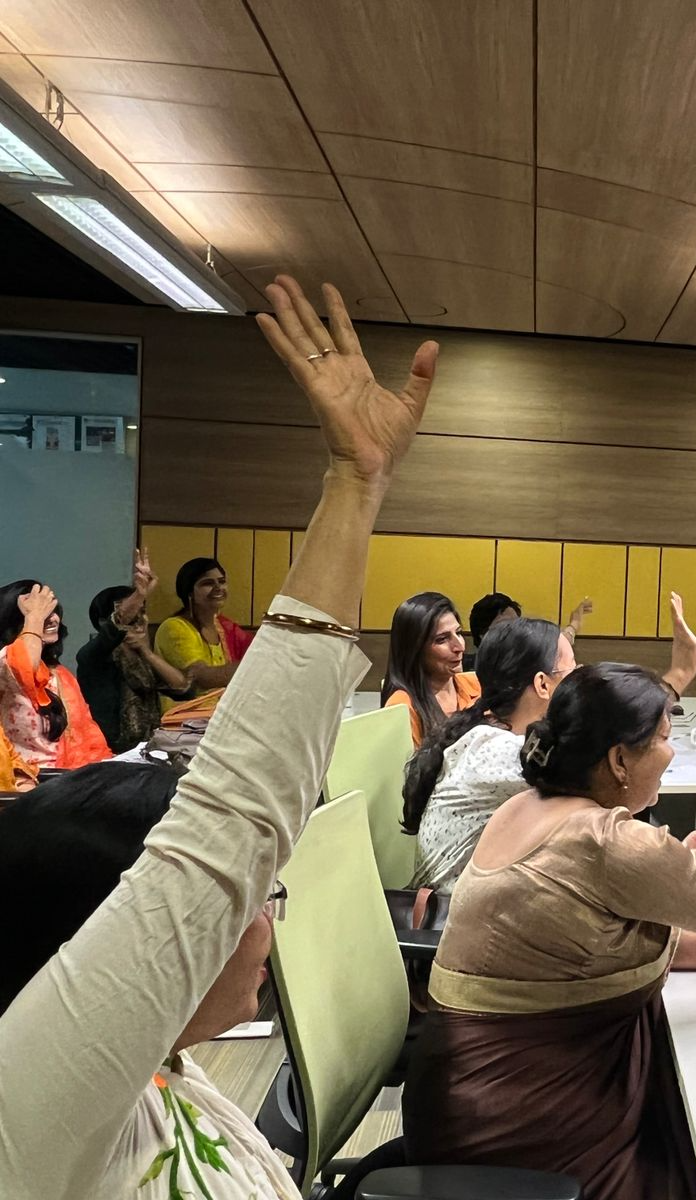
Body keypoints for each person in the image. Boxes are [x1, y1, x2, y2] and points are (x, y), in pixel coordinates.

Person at [0, 272, 438, 1198]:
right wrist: (353, 489)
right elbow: (229, 820)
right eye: (253, 893)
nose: (267, 918)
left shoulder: (158, 1076)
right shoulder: (37, 1104)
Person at [403, 670, 696, 1198]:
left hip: (467, 1093)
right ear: (619, 760)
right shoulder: (604, 841)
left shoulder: (526, 807)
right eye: (665, 739)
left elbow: (601, 943)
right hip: (525, 1124)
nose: (672, 754)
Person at [404, 593, 696, 894]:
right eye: (574, 672)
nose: (582, 681)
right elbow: (606, 770)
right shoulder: (494, 750)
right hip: (448, 922)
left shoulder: (496, 732)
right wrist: (677, 677)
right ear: (542, 684)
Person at [76, 549, 194, 752]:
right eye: (132, 614)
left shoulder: (142, 657)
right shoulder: (94, 657)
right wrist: (140, 594)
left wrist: (146, 652)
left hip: (148, 749)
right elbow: (117, 624)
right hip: (107, 752)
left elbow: (183, 688)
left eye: (142, 612)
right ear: (104, 623)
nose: (138, 620)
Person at [1, 579, 112, 775]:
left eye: (53, 611)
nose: (52, 619)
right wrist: (35, 616)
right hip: (25, 784)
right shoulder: (5, 663)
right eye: (42, 613)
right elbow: (23, 665)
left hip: (72, 777)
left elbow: (87, 734)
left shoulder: (59, 673)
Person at [383, 592, 482, 747]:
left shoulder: (478, 683)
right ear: (414, 649)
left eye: (459, 633)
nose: (460, 647)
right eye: (442, 639)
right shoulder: (401, 707)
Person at [154, 557, 254, 702]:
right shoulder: (174, 628)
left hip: (218, 715)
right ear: (189, 593)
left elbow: (257, 648)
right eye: (207, 583)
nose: (218, 587)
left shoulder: (224, 627)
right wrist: (252, 667)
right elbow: (201, 677)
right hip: (184, 719)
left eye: (222, 581)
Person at [464, 591, 521, 671]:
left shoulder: (529, 670)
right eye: (505, 626)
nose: (514, 632)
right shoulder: (464, 673)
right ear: (483, 634)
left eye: (518, 625)